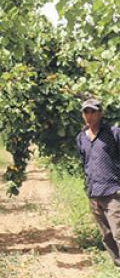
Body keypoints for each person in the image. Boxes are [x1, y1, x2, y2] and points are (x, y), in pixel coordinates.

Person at [75, 98, 120, 267]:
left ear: (100, 113)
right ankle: (117, 264)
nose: (89, 115)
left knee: (118, 233)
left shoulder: (113, 133)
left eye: (93, 111)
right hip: (93, 193)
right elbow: (85, 162)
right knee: (106, 235)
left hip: (112, 192)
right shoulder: (81, 138)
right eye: (86, 111)